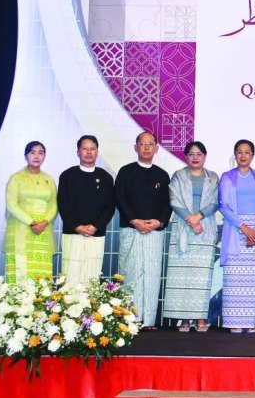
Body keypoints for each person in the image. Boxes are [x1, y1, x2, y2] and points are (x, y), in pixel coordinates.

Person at [114, 131, 172, 329]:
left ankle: (148, 321)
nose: (146, 147)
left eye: (150, 144)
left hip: (154, 232)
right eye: (142, 143)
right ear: (135, 147)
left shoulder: (162, 175)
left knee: (152, 274)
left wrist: (159, 222)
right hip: (132, 229)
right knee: (131, 273)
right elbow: (119, 198)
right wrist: (134, 220)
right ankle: (130, 319)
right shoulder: (125, 172)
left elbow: (168, 203)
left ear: (156, 148)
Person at [164, 141, 220, 332]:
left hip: (205, 228)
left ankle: (201, 318)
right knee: (182, 277)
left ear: (205, 156)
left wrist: (199, 217)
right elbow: (174, 200)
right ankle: (185, 319)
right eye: (191, 154)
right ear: (186, 156)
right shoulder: (178, 176)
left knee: (202, 277)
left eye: (199, 154)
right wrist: (190, 219)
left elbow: (216, 202)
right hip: (183, 227)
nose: (195, 158)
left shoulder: (213, 177)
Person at [219, 139, 255, 333]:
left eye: (247, 152)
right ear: (235, 155)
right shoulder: (227, 177)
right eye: (239, 152)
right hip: (235, 229)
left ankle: (251, 322)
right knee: (235, 278)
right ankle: (235, 322)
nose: (243, 155)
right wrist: (244, 228)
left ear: (252, 155)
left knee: (254, 277)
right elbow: (223, 206)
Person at [57, 135, 115, 285]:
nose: (89, 152)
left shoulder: (106, 177)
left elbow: (109, 207)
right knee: (70, 278)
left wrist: (95, 226)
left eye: (92, 149)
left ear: (97, 152)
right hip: (72, 233)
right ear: (78, 152)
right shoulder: (67, 175)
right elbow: (63, 205)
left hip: (96, 234)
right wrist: (77, 226)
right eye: (85, 149)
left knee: (92, 278)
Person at [5, 141, 58, 283]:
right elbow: (11, 205)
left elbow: (54, 204)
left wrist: (44, 222)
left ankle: (40, 297)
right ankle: (18, 297)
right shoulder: (16, 178)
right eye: (32, 152)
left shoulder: (49, 179)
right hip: (21, 228)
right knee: (20, 268)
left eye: (41, 153)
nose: (36, 156)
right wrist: (32, 223)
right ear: (25, 156)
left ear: (44, 156)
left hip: (43, 230)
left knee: (41, 273)